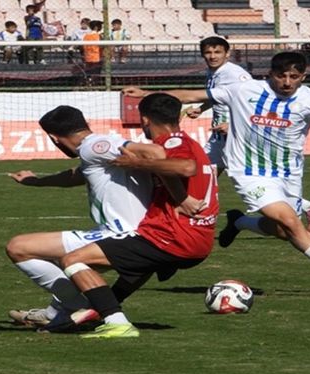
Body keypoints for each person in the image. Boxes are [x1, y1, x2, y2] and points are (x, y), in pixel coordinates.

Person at [131, 52, 310, 292]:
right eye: (281, 76)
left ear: (303, 77)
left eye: (294, 77)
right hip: (249, 173)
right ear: (270, 74)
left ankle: (239, 222)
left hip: (289, 174)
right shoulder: (244, 90)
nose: (287, 82)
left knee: (284, 231)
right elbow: (189, 95)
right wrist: (146, 94)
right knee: (290, 222)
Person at [56, 93, 220, 339]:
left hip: (172, 238)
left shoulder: (172, 142)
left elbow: (185, 167)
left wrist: (136, 164)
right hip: (194, 238)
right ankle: (94, 310)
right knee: (132, 265)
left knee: (73, 260)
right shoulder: (191, 143)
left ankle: (113, 320)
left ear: (144, 120)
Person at [128, 37, 310, 232]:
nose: (212, 56)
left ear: (227, 54)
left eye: (217, 52)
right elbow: (219, 96)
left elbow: (251, 101)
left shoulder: (235, 74)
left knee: (202, 176)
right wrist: (202, 108)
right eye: (208, 52)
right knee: (204, 176)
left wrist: (232, 125)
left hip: (234, 137)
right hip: (220, 137)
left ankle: (190, 218)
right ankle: (199, 217)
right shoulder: (214, 72)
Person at [5, 105, 155, 330]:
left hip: (121, 233)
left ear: (54, 138)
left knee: (18, 247)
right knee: (70, 263)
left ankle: (77, 305)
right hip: (133, 231)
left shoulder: (94, 146)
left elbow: (153, 152)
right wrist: (36, 181)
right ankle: (55, 313)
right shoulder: (94, 151)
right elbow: (76, 176)